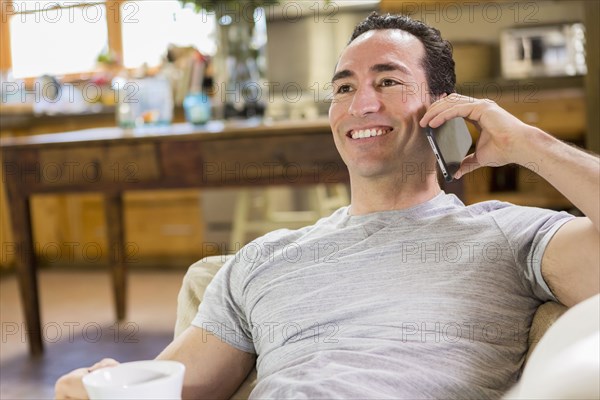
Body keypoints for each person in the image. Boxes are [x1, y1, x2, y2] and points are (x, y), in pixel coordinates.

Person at [55, 12, 599, 399]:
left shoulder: (508, 236)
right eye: (343, 89)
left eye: (388, 81)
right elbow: (168, 385)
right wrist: (100, 385)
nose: (362, 104)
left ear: (444, 109)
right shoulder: (263, 259)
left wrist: (531, 144)